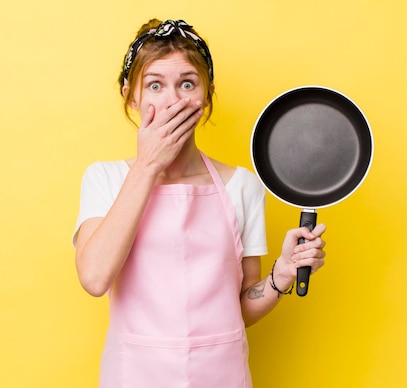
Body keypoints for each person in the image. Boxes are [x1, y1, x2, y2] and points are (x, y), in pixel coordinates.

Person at [73, 18, 327, 388]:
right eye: (155, 85)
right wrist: (148, 165)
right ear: (132, 96)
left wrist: (282, 274)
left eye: (187, 84)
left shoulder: (242, 186)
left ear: (206, 94)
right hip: (135, 376)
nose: (173, 100)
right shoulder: (105, 179)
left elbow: (238, 308)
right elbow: (94, 278)